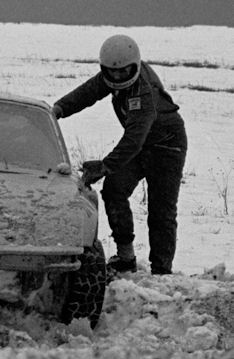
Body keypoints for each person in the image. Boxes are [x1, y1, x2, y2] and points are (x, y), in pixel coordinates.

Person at [52, 34, 187, 275]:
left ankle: (161, 272)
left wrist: (105, 166)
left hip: (167, 146)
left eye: (122, 72)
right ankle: (125, 257)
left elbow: (134, 140)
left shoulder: (144, 92)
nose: (116, 77)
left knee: (161, 212)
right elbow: (89, 92)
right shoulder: (115, 75)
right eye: (110, 73)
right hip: (140, 144)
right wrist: (58, 109)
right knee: (114, 190)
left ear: (133, 66)